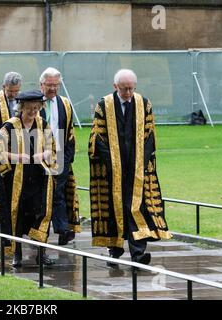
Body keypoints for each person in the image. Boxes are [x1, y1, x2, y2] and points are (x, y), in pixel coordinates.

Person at [88, 68, 172, 267]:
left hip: (137, 168)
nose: (127, 93)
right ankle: (114, 251)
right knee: (114, 209)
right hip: (112, 170)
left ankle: (138, 253)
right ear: (115, 86)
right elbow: (97, 137)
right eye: (124, 89)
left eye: (131, 89)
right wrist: (112, 162)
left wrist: (141, 161)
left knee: (136, 206)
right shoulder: (104, 105)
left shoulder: (144, 103)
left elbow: (150, 134)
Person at [0, 89, 57, 267]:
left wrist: (42, 154)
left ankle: (41, 252)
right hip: (15, 181)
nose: (33, 112)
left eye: (36, 108)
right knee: (17, 216)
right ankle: (16, 253)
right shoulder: (9, 126)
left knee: (41, 213)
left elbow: (52, 149)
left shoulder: (43, 124)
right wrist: (18, 157)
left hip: (38, 179)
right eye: (29, 109)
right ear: (21, 108)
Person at [39, 67, 81, 245]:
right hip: (39, 157)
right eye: (49, 85)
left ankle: (63, 229)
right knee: (44, 194)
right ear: (41, 84)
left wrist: (68, 157)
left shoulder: (64, 103)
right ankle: (42, 229)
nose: (53, 89)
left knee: (58, 193)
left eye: (56, 85)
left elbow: (69, 131)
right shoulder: (33, 102)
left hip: (60, 156)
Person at [0, 71, 22, 243]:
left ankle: (18, 233)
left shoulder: (22, 101)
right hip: (1, 154)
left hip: (21, 155)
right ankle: (6, 236)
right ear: (3, 87)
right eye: (10, 92)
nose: (14, 95)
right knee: (4, 198)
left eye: (16, 91)